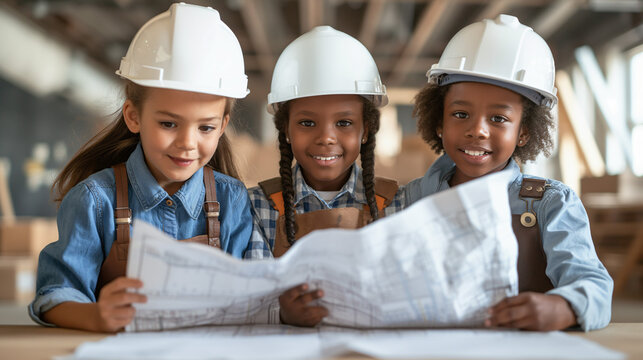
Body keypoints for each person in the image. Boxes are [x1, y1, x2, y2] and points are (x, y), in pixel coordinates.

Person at [29, 3, 253, 332]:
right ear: (133, 116)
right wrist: (95, 315)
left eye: (205, 128)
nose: (188, 143)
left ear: (222, 126)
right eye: (168, 124)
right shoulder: (94, 201)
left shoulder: (232, 200)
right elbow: (54, 294)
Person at [405, 14, 612, 331]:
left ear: (524, 132)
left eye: (499, 119)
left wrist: (564, 306)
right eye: (461, 114)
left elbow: (594, 286)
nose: (478, 130)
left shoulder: (550, 204)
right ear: (438, 122)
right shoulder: (408, 199)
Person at [244, 26, 405, 326]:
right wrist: (282, 313)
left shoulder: (396, 205)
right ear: (286, 130)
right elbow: (250, 303)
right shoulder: (257, 206)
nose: (326, 138)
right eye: (307, 123)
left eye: (344, 123)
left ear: (366, 130)